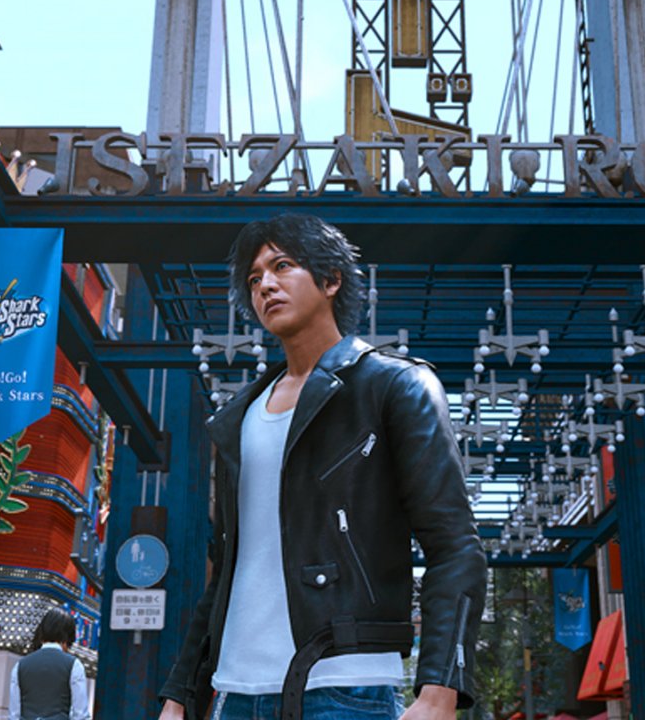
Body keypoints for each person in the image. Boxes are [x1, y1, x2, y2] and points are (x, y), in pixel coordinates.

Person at [157, 213, 486, 720]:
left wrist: (440, 688)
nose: (265, 285)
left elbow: (456, 545)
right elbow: (228, 571)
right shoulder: (239, 416)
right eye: (254, 278)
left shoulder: (395, 386)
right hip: (232, 693)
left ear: (331, 280)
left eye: (282, 266)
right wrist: (181, 695)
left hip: (345, 687)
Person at [8, 608, 90, 720]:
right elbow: (80, 715)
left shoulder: (20, 665)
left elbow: (14, 714)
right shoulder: (73, 665)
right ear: (67, 638)